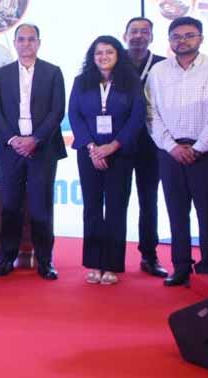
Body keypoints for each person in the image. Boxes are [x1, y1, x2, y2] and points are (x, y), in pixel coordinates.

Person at [146, 16, 208, 286]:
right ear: (169, 40)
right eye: (176, 36)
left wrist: (197, 148)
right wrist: (172, 146)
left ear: (201, 38)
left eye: (189, 35)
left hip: (205, 153)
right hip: (169, 153)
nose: (182, 41)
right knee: (176, 213)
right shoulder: (158, 72)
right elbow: (151, 113)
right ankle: (181, 267)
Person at [68, 36, 146, 285]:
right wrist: (93, 148)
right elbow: (74, 115)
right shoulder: (81, 81)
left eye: (109, 52)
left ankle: (112, 264)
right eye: (98, 53)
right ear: (92, 57)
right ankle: (93, 263)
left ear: (118, 55)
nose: (103, 57)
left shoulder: (131, 82)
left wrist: (112, 146)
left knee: (116, 208)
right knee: (91, 208)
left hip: (120, 153)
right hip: (89, 153)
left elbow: (137, 116)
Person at [0, 24, 66, 280]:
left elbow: (57, 111)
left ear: (39, 43)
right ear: (15, 43)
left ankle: (45, 260)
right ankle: (6, 258)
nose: (26, 44)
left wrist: (35, 139)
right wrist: (13, 139)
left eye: (31, 39)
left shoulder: (53, 72)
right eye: (21, 39)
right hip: (9, 150)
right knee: (10, 206)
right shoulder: (0, 74)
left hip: (42, 149)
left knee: (40, 207)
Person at [123, 17, 168, 277]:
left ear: (151, 36)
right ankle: (112, 255)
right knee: (116, 201)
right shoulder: (114, 61)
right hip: (118, 143)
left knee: (149, 201)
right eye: (134, 31)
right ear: (125, 35)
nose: (138, 36)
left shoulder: (163, 65)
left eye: (144, 31)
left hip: (152, 144)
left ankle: (149, 255)